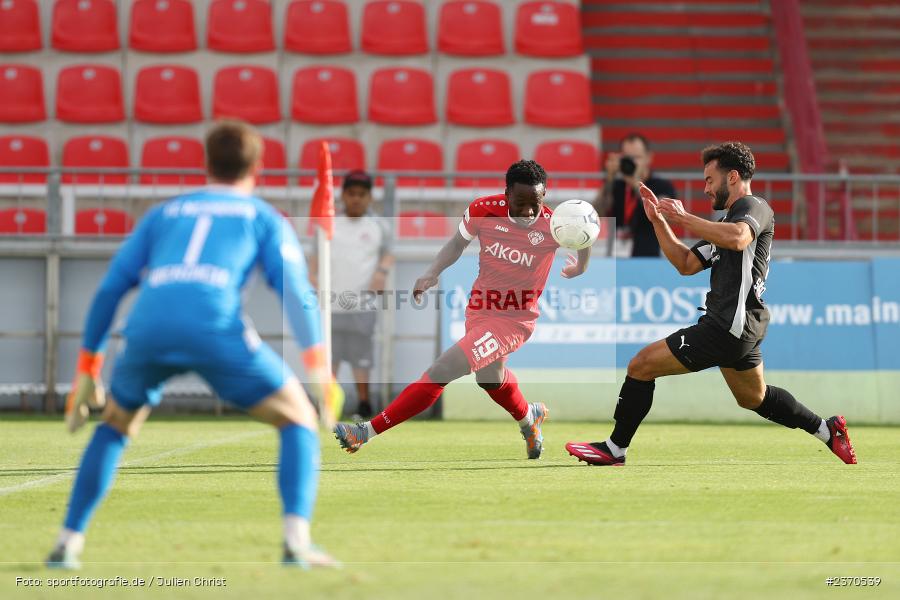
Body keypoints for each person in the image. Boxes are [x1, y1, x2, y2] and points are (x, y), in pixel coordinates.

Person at [46, 121, 341, 570]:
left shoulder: (165, 213)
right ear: (258, 167)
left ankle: (69, 541)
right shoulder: (263, 217)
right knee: (298, 418)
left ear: (205, 164)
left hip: (146, 329)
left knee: (116, 426)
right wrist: (318, 366)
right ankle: (296, 543)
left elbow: (110, 290)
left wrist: (88, 367)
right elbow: (294, 290)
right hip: (213, 327)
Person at [566, 142, 857, 466]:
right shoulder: (727, 222)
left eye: (709, 179)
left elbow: (738, 238)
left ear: (732, 177)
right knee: (754, 398)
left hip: (727, 326)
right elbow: (686, 263)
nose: (705, 188)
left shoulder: (753, 207)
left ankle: (615, 448)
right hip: (740, 326)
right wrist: (659, 222)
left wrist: (684, 217)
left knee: (640, 365)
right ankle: (828, 431)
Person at [332, 160, 592, 458]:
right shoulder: (483, 209)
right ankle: (528, 418)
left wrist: (580, 267)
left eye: (536, 203)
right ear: (507, 194)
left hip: (514, 319)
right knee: (489, 379)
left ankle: (365, 431)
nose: (529, 212)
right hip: (479, 309)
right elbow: (457, 244)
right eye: (521, 204)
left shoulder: (553, 223)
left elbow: (584, 234)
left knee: (442, 369)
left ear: (543, 196)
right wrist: (432, 272)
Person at [308, 170, 393, 420]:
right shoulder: (328, 225)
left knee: (361, 357)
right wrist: (312, 277)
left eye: (361, 194)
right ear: (343, 195)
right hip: (330, 303)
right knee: (330, 357)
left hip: (363, 303)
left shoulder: (379, 227)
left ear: (369, 197)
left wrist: (382, 271)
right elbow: (314, 257)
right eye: (351, 194)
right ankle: (328, 404)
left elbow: (388, 253)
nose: (356, 199)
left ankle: (363, 404)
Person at [594, 133, 676, 258]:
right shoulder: (616, 185)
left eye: (636, 157)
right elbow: (597, 212)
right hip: (616, 255)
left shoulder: (662, 186)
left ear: (649, 158)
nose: (632, 162)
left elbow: (665, 216)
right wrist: (609, 178)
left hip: (648, 255)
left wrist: (635, 183)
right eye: (627, 158)